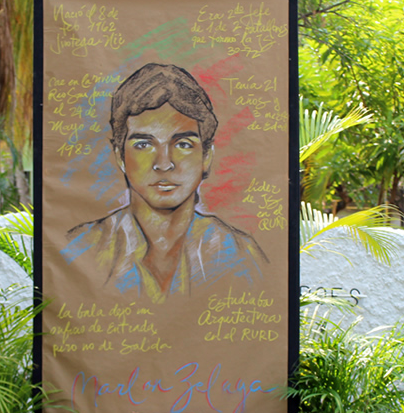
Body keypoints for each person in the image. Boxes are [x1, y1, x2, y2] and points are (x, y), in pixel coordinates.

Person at [62, 63, 267, 302]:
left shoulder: (239, 255)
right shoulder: (81, 249)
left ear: (206, 156)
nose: (164, 163)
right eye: (144, 145)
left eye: (183, 144)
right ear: (120, 156)